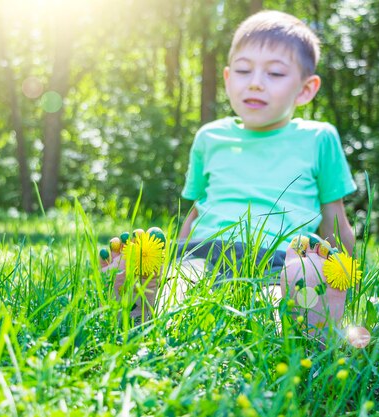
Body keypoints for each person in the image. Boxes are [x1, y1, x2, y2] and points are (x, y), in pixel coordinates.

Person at [100, 10, 359, 333]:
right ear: (227, 78)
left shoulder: (319, 138)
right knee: (183, 290)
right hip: (202, 253)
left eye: (275, 74)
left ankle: (308, 309)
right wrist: (173, 262)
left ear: (306, 89)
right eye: (242, 70)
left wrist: (344, 273)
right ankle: (147, 299)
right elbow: (196, 213)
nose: (254, 83)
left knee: (275, 305)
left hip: (280, 259)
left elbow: (334, 218)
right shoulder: (209, 137)